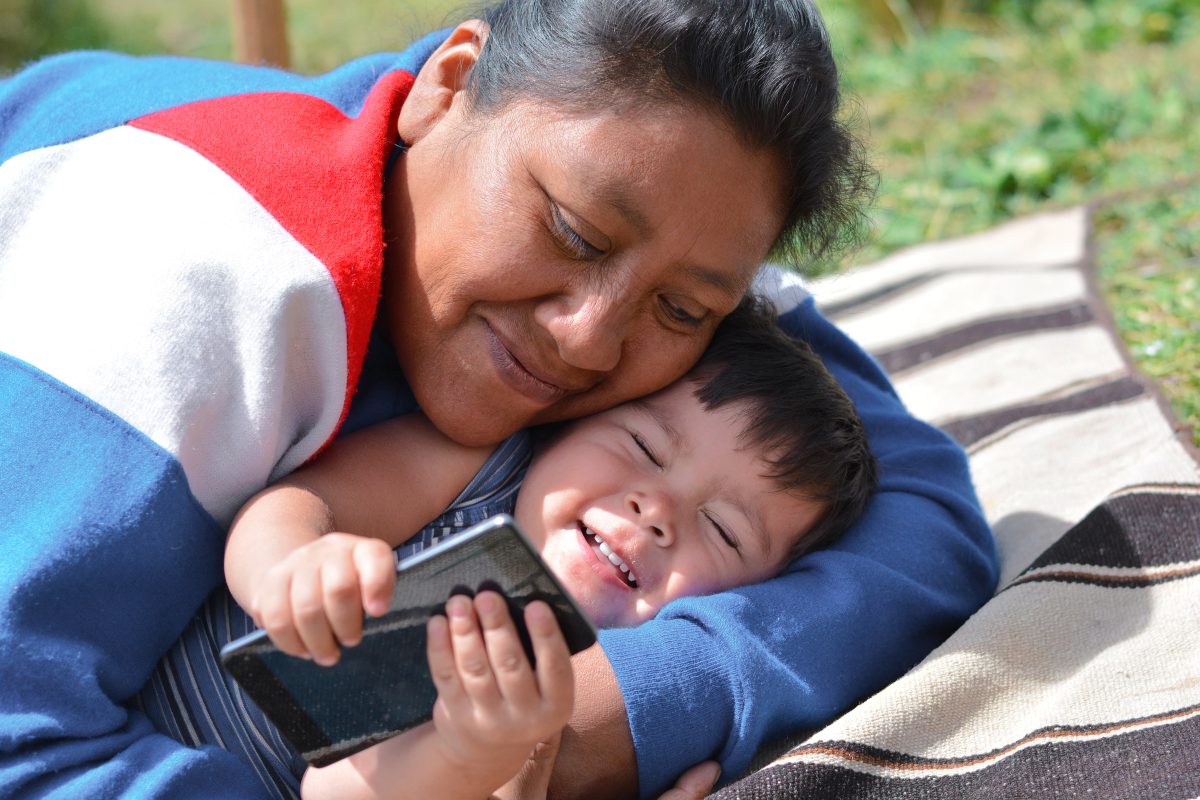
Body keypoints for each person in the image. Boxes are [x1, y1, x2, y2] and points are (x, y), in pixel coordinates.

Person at [0, 2, 998, 799]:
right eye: (571, 233)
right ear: (448, 83)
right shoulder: (179, 293)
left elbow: (924, 515)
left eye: (684, 306)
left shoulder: (657, 187)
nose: (589, 337)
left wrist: (619, 709)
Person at [139, 296, 877, 800]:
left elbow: (333, 791)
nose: (656, 512)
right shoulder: (483, 465)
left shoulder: (576, 680)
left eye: (724, 530)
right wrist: (291, 563)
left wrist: (469, 755)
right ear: (578, 416)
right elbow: (299, 503)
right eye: (643, 445)